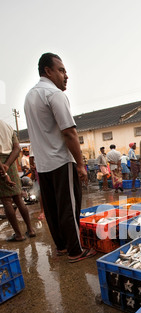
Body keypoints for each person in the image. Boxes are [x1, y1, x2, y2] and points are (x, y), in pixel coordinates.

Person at [24, 52, 96, 262]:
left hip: (43, 164)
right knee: (69, 207)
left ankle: (62, 247)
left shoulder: (30, 96)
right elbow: (69, 132)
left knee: (53, 208)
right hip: (61, 161)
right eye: (62, 70)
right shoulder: (54, 94)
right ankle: (75, 250)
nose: (66, 76)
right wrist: (81, 165)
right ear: (48, 71)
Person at [0, 119, 36, 241]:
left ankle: (19, 235)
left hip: (1, 163)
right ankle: (30, 230)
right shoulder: (7, 126)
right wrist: (8, 164)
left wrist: (3, 169)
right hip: (11, 162)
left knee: (6, 201)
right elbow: (17, 148)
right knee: (18, 198)